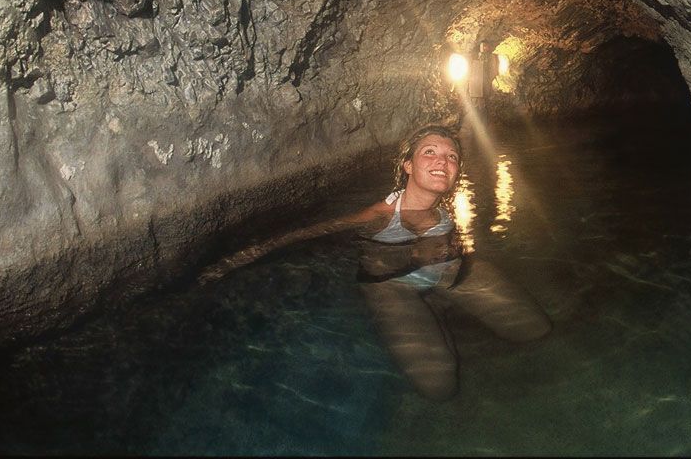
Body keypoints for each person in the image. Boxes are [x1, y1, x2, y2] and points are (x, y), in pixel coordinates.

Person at [200, 124, 551, 400]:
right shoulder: (382, 214)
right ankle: (435, 315)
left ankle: (441, 306)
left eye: (452, 156)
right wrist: (239, 259)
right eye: (430, 152)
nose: (443, 161)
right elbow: (310, 232)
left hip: (448, 276)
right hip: (392, 287)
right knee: (439, 387)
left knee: (535, 330)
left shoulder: (442, 211)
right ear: (408, 166)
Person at [467, 40, 497, 114]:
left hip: (483, 85)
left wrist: (488, 80)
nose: (484, 48)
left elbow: (493, 71)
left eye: (485, 46)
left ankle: (483, 121)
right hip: (475, 85)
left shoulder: (491, 57)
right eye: (483, 46)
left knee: (483, 106)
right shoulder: (474, 56)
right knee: (476, 105)